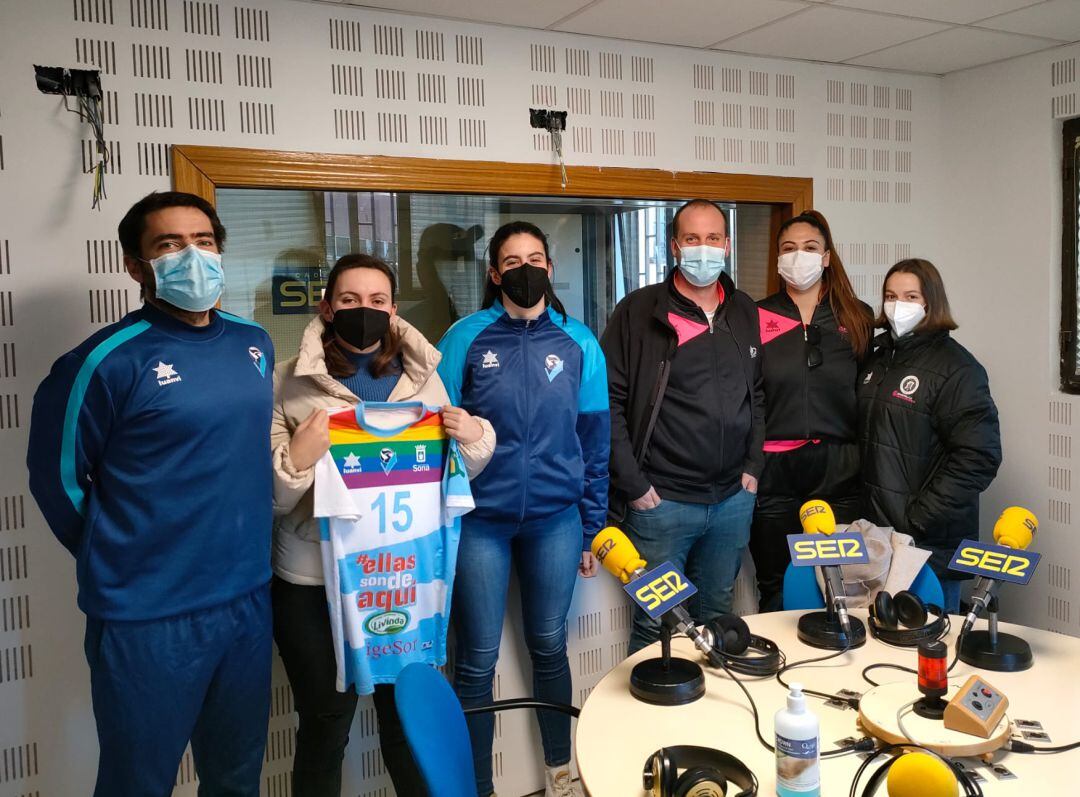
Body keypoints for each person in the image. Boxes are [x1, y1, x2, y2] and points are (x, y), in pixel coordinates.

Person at [26, 191, 274, 797]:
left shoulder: (254, 343)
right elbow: (56, 480)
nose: (193, 256)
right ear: (137, 267)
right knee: (138, 782)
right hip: (148, 616)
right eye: (170, 244)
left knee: (237, 777)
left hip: (245, 599)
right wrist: (120, 549)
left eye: (205, 241)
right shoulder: (103, 362)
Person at [270, 253, 495, 796]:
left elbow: (452, 474)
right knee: (326, 723)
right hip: (313, 582)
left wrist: (474, 438)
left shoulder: (425, 378)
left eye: (376, 301)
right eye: (349, 301)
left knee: (408, 718)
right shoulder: (285, 382)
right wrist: (298, 459)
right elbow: (269, 498)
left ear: (393, 309)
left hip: (401, 577)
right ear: (326, 307)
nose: (363, 311)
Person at [437, 220, 609, 797]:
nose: (526, 269)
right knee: (477, 662)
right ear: (494, 274)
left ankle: (560, 775)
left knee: (549, 647)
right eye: (512, 262)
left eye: (536, 258)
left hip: (556, 522)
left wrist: (592, 528)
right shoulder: (466, 337)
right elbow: (435, 434)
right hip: (480, 521)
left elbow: (595, 440)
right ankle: (478, 787)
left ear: (551, 268)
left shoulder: (579, 342)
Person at [602, 198, 764, 653]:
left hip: (732, 499)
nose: (703, 248)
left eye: (713, 238)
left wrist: (754, 466)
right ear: (675, 245)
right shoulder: (639, 310)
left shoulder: (744, 311)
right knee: (657, 626)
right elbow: (609, 403)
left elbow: (758, 393)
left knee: (717, 617)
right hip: (662, 502)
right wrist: (634, 485)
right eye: (692, 239)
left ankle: (706, 724)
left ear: (727, 245)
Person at [858, 258, 1002, 613]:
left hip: (929, 542)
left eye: (910, 296)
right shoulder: (877, 358)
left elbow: (978, 457)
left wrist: (917, 518)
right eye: (890, 296)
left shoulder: (958, 369)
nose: (897, 305)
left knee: (930, 651)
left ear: (930, 303)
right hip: (880, 536)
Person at [750, 211, 873, 611]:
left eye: (809, 247)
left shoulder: (857, 316)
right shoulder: (754, 315)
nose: (797, 256)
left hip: (839, 470)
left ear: (826, 257)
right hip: (775, 470)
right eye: (788, 249)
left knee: (839, 582)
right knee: (777, 583)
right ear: (778, 259)